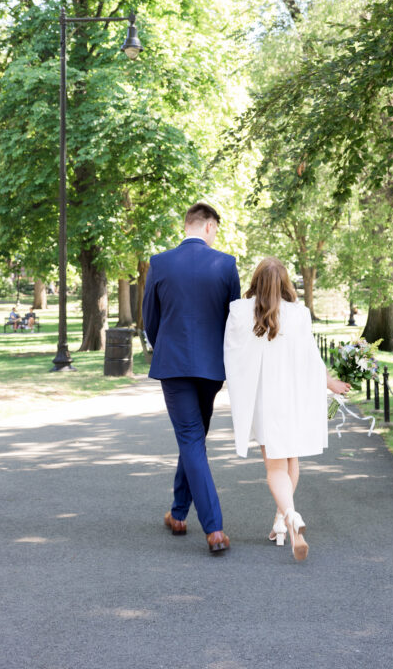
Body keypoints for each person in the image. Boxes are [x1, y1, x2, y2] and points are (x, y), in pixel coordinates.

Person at [224, 257, 350, 562]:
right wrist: (329, 382)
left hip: (265, 399)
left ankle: (290, 517)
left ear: (255, 280)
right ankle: (280, 522)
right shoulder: (299, 314)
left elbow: (230, 354)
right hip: (294, 397)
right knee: (291, 461)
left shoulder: (240, 311)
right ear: (285, 283)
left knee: (275, 467)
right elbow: (311, 357)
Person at [142, 202, 241, 556]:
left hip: (174, 363)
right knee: (194, 439)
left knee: (191, 439)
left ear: (187, 225)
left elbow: (150, 320)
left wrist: (166, 345)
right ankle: (180, 515)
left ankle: (213, 528)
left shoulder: (160, 262)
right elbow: (234, 322)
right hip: (211, 368)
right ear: (209, 227)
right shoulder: (226, 264)